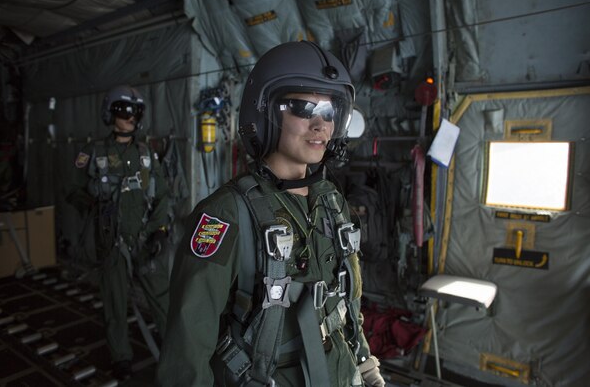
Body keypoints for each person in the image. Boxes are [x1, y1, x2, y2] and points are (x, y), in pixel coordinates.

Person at [157, 41, 386, 387]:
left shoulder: (331, 202)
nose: (320, 124)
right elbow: (187, 348)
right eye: (302, 106)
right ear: (264, 111)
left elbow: (345, 304)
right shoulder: (227, 214)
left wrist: (366, 369)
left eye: (329, 110)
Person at [67, 85, 170, 380]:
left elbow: (162, 194)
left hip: (145, 238)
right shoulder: (92, 153)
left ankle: (173, 345)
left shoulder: (146, 154)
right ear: (110, 113)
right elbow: (72, 190)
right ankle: (121, 357)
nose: (131, 118)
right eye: (125, 111)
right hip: (111, 241)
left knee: (162, 298)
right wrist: (95, 206)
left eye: (136, 112)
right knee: (114, 301)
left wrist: (160, 230)